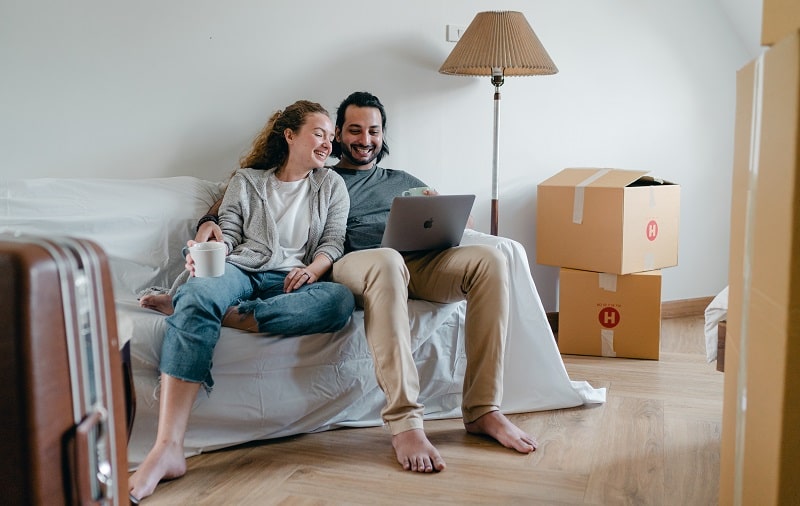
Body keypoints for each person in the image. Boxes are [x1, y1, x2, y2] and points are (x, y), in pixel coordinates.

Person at [192, 91, 537, 475]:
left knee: (491, 258)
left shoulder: (401, 178)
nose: (365, 139)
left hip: (418, 260)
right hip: (356, 263)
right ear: (337, 134)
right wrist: (206, 221)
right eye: (354, 130)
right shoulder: (321, 175)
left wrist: (442, 210)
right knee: (387, 260)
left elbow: (461, 224)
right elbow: (246, 196)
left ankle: (483, 409)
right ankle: (406, 421)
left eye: (373, 131)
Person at [128, 100, 355, 502]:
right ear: (290, 135)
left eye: (330, 137)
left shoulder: (331, 184)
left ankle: (219, 313)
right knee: (201, 291)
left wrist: (316, 270)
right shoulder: (248, 181)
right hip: (243, 268)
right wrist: (212, 242)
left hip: (294, 279)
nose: (328, 143)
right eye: (319, 133)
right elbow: (228, 231)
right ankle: (167, 448)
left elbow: (333, 240)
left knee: (338, 301)